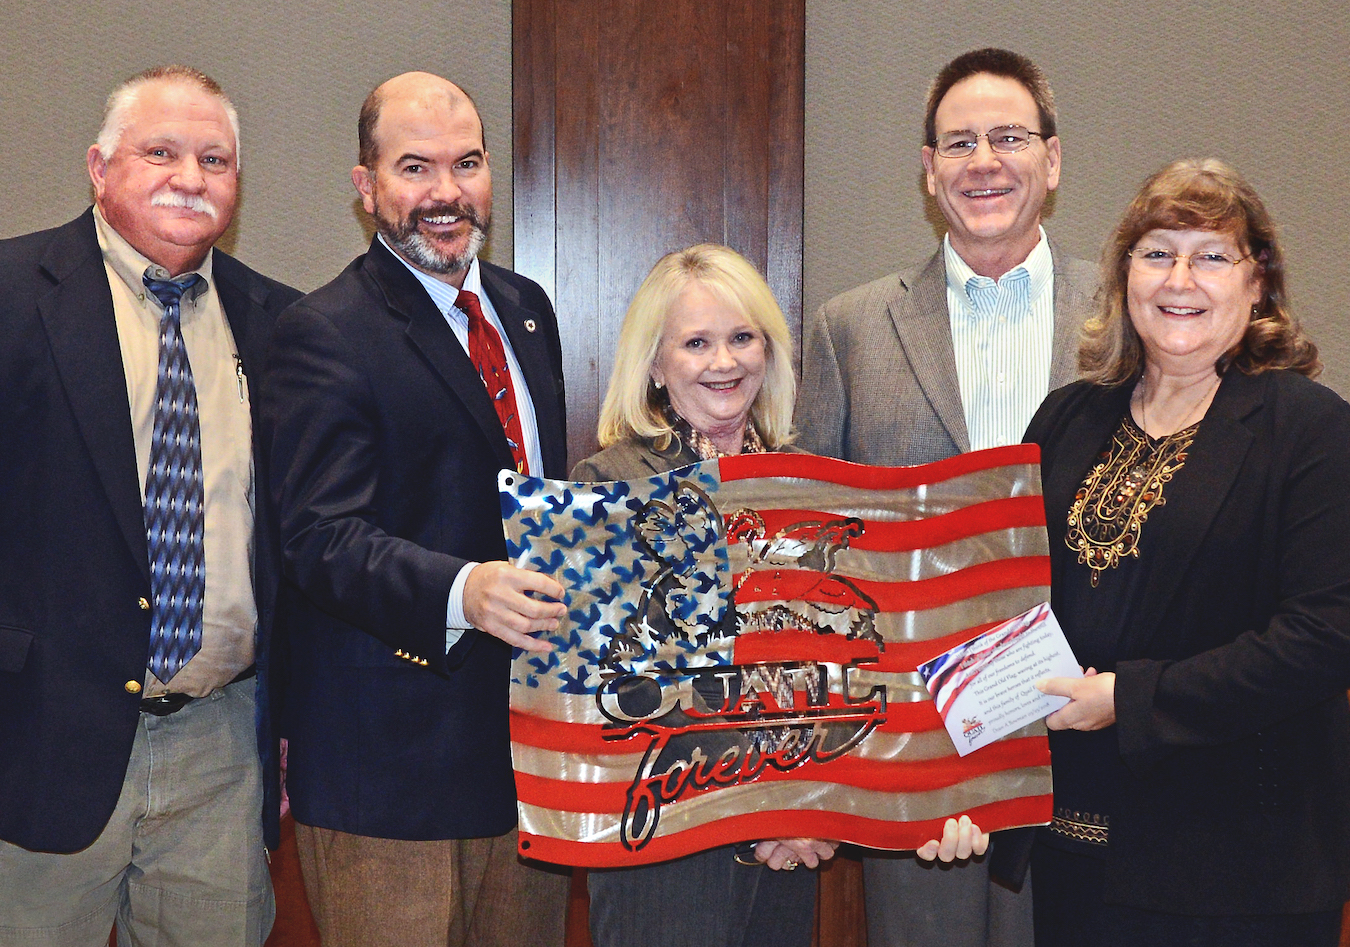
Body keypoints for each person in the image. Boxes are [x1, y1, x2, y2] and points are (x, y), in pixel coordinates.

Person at [574, 243, 989, 947]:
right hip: (667, 854)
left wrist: (812, 811)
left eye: (742, 337)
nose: (724, 361)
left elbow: (832, 666)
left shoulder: (809, 482)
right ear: (653, 364)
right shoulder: (610, 483)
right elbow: (627, 694)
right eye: (696, 343)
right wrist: (766, 811)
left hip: (791, 852)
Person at [794, 48, 1095, 947]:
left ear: (1052, 158)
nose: (984, 161)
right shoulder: (850, 329)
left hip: (1087, 731)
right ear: (928, 171)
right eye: (958, 142)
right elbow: (817, 557)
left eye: (1009, 137)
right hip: (914, 752)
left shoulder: (1120, 317)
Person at [262, 71, 571, 946]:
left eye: (467, 163)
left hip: (526, 759)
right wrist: (465, 590)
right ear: (366, 187)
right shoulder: (322, 331)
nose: (445, 192)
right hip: (385, 769)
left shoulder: (526, 312)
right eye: (414, 167)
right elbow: (318, 538)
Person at [0, 65, 300, 946]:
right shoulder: (14, 296)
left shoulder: (280, 324)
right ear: (99, 168)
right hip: (40, 742)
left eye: (215, 158)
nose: (190, 176)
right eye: (160, 151)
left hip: (221, 748)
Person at [1026, 158, 1350, 946]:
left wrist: (1131, 698)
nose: (1181, 277)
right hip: (1074, 855)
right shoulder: (1065, 420)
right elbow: (1008, 606)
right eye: (1157, 251)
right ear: (1124, 274)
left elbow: (1323, 637)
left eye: (1212, 255)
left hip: (1238, 874)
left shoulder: (1309, 429)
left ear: (1258, 281)